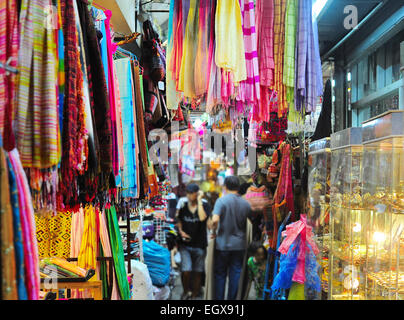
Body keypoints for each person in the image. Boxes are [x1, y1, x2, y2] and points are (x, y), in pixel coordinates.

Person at [208, 176, 253, 300]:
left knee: (220, 274)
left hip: (223, 244)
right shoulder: (245, 203)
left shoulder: (221, 201)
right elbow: (250, 221)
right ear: (238, 187)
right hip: (240, 245)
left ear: (225, 186)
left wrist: (213, 230)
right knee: (235, 274)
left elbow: (215, 220)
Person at [176, 183, 211, 300]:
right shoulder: (182, 203)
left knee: (198, 272)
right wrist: (181, 231)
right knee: (186, 270)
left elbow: (202, 218)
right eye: (188, 193)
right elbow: (178, 219)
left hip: (200, 244)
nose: (190, 196)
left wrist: (200, 201)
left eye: (192, 193)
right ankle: (186, 291)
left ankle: (195, 294)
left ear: (197, 193)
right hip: (185, 244)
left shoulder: (205, 204)